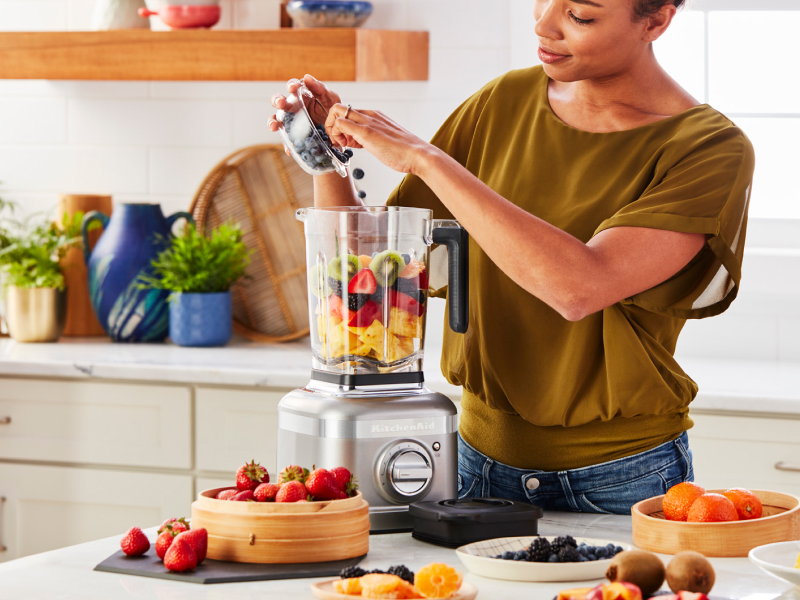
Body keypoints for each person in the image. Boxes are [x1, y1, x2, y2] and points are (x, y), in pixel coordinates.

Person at [269, 0, 755, 514]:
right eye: (543, 1)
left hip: (622, 477)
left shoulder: (707, 148)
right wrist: (323, 157)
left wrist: (425, 158)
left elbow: (580, 288)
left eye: (581, 17)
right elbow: (377, 272)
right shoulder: (502, 102)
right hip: (472, 461)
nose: (544, 26)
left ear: (655, 21)